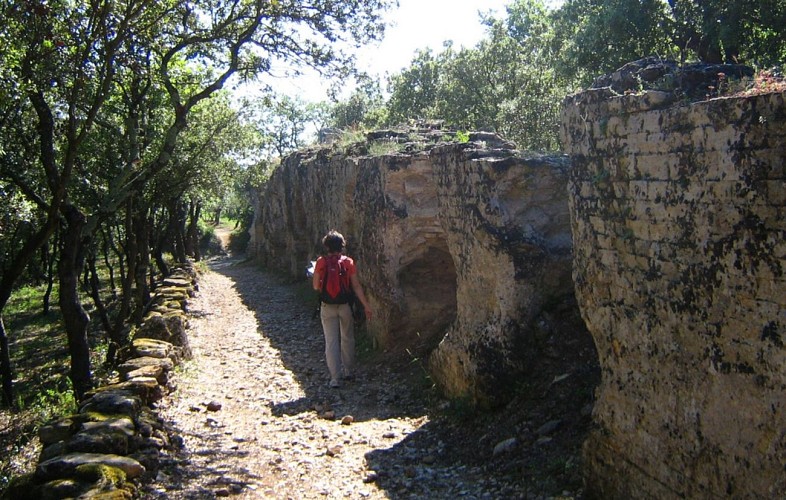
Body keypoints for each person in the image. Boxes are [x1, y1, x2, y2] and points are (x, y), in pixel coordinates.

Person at [312, 230, 372, 388]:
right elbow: (356, 286)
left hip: (327, 306)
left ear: (327, 246)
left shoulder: (321, 262)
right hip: (345, 306)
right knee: (347, 338)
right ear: (342, 245)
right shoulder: (348, 262)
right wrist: (366, 306)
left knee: (331, 341)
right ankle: (348, 371)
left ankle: (334, 378)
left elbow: (316, 286)